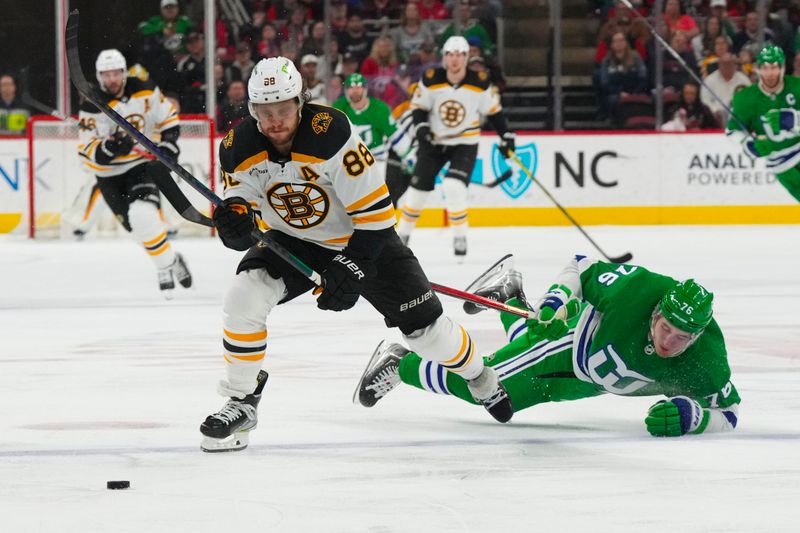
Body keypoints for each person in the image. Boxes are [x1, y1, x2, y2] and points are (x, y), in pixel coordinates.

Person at [198, 57, 512, 452]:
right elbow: (238, 200)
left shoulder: (330, 134)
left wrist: (353, 266)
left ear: (301, 102)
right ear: (253, 110)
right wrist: (234, 220)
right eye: (265, 112)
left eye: (283, 109)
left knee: (428, 335)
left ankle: (480, 376)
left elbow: (378, 217)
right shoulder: (237, 146)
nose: (275, 120)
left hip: (364, 239)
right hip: (293, 239)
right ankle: (242, 400)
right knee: (244, 295)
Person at [357, 254, 740, 438]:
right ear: (656, 311)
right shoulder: (637, 290)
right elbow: (580, 265)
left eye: (683, 338)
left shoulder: (707, 361)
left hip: (584, 382)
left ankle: (508, 292)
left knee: (516, 375)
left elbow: (730, 412)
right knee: (488, 391)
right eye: (666, 327)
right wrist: (556, 301)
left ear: (698, 336)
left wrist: (697, 419)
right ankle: (400, 362)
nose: (670, 342)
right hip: (566, 346)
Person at [77, 49, 192, 297]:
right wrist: (109, 148)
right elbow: (86, 149)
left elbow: (168, 117)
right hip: (107, 175)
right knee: (138, 231)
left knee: (143, 217)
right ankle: (170, 261)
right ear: (99, 77)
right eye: (106, 75)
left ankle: (163, 267)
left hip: (139, 167)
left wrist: (169, 145)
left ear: (124, 73)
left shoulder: (144, 89)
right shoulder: (92, 103)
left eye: (116, 73)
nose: (112, 80)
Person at [396, 36, 514, 258]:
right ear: (444, 57)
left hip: (464, 142)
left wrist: (506, 135)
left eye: (459, 55)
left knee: (453, 187)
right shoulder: (432, 79)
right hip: (434, 141)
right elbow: (419, 108)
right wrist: (421, 128)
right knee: (416, 193)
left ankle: (460, 235)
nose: (454, 60)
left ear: (466, 57)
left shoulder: (479, 81)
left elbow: (494, 112)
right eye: (450, 54)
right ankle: (402, 235)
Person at [728, 45, 800, 203]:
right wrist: (748, 144)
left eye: (774, 67)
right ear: (758, 69)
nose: (770, 73)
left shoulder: (797, 87)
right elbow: (732, 131)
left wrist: (794, 119)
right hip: (782, 162)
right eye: (765, 68)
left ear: (782, 68)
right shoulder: (745, 99)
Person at [333, 73, 415, 188]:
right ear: (346, 91)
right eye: (351, 87)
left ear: (365, 89)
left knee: (375, 198)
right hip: (348, 161)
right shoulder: (338, 108)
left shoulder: (379, 109)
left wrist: (408, 155)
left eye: (358, 87)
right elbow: (330, 138)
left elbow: (395, 135)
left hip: (376, 160)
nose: (355, 91)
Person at [702, 52, 751, 125]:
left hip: (739, 119)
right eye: (724, 64)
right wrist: (714, 110)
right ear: (719, 65)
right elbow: (705, 101)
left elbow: (750, 99)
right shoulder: (709, 80)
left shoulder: (744, 80)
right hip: (715, 120)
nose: (726, 66)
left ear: (735, 65)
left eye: (729, 64)